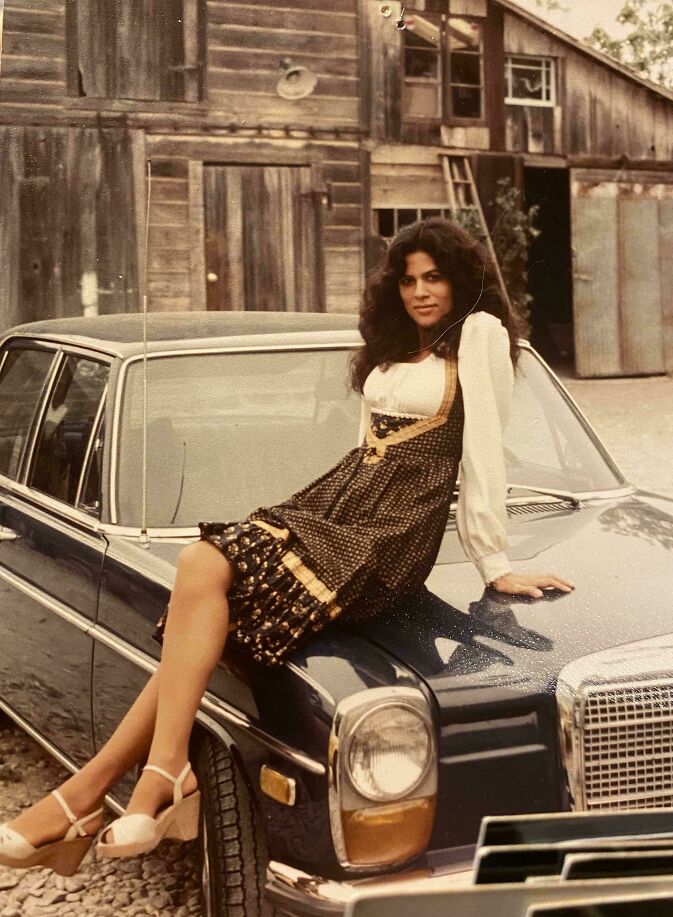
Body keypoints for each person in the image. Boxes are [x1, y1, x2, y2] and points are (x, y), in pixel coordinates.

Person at [0, 218, 574, 875]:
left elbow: (482, 457)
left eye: (434, 277)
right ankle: (134, 782)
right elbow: (367, 448)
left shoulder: (479, 334)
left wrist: (495, 563)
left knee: (200, 569)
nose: (420, 291)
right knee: (203, 587)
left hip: (387, 534)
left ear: (461, 278)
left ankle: (123, 786)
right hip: (339, 501)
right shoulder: (397, 343)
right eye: (409, 278)